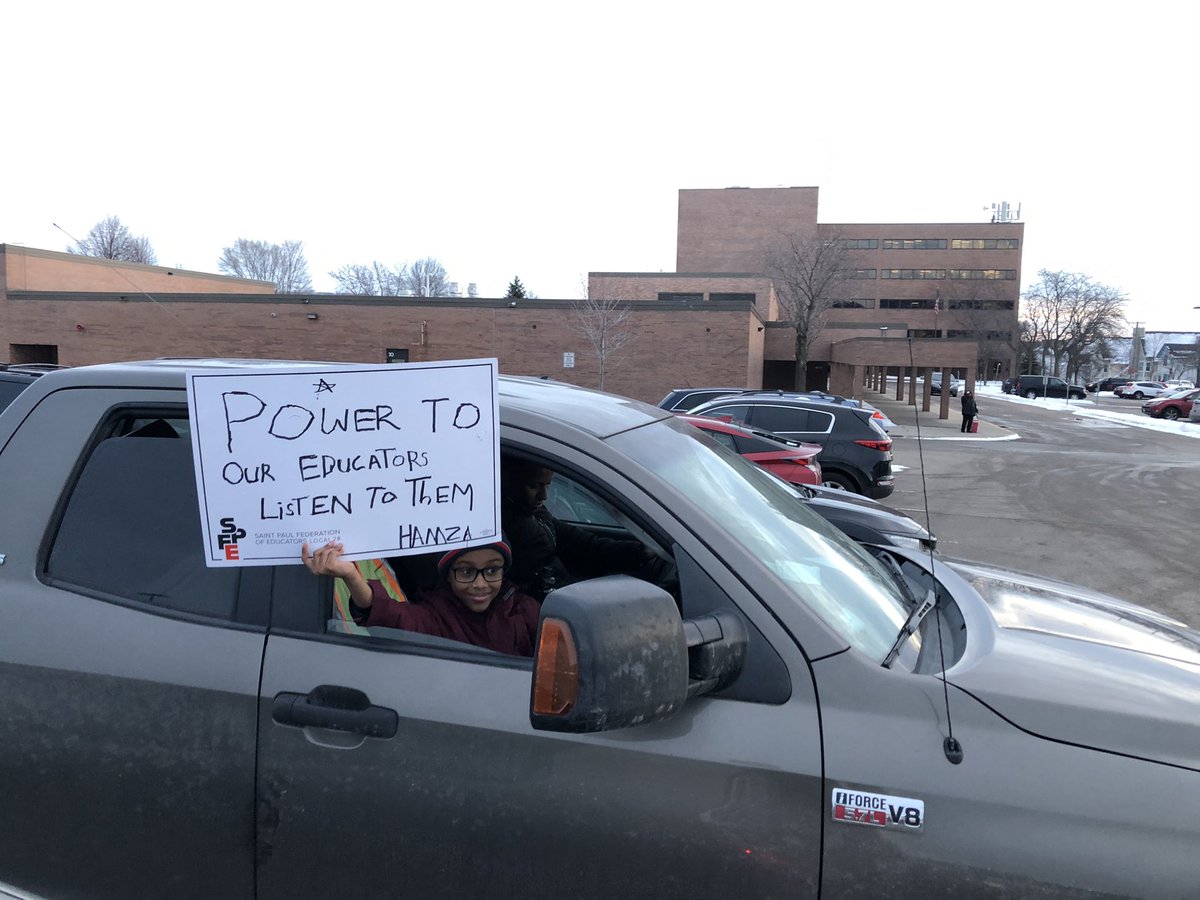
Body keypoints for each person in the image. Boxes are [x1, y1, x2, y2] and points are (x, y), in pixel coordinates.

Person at [301, 540, 540, 657]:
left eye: (491, 570)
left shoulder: (524, 610)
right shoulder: (436, 615)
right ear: (448, 576)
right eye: (466, 572)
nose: (480, 584)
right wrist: (352, 577)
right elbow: (390, 614)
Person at [501, 458, 665, 599]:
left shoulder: (534, 513)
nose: (544, 496)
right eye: (534, 485)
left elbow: (581, 543)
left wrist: (638, 552)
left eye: (548, 485)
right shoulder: (503, 525)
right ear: (508, 478)